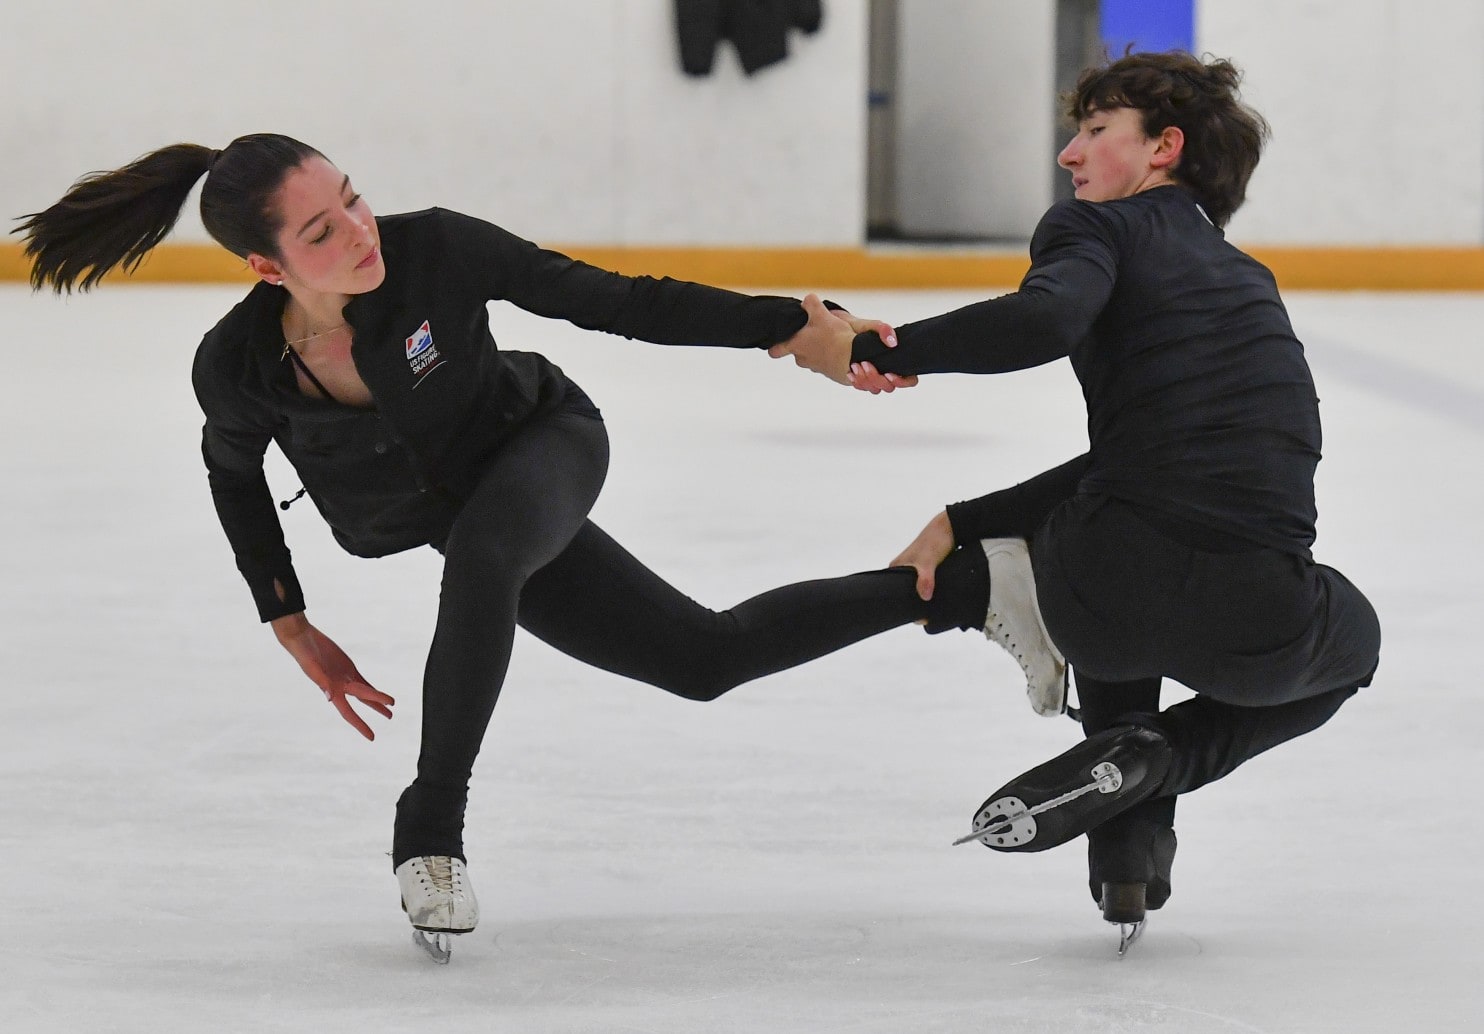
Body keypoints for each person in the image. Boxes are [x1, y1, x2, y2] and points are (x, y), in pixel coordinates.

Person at [14, 133, 1066, 959]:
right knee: (702, 659)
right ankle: (962, 586)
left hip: (544, 443)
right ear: (264, 264)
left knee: (482, 559)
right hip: (470, 518)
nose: (358, 232)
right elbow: (231, 474)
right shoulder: (237, 365)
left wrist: (784, 327)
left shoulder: (435, 247)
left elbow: (610, 298)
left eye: (353, 199)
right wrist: (289, 619)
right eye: (322, 233)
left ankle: (428, 832)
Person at [770, 51, 1382, 938]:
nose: (1070, 154)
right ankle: (1154, 785)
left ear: (1163, 148)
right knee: (1352, 642)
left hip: (1101, 594)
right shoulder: (1248, 281)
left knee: (1118, 549)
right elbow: (1148, 456)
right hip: (1257, 619)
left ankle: (1130, 809)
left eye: (1097, 131)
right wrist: (963, 521)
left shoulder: (1095, 230)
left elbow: (1045, 319)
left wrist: (882, 349)